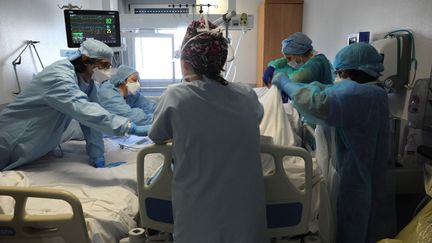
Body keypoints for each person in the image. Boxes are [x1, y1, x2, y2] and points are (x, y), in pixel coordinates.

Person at [148, 19, 268, 243]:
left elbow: (156, 135)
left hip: (198, 213)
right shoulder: (247, 95)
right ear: (220, 61)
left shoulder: (176, 96)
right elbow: (256, 119)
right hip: (244, 215)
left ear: (184, 63)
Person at [272, 42, 393, 243]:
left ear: (350, 72)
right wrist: (305, 86)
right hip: (365, 174)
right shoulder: (374, 92)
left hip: (355, 181)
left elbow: (318, 103)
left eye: (340, 73)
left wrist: (286, 83)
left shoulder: (358, 94)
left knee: (354, 228)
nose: (338, 78)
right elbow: (328, 90)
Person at [0, 39, 150, 171]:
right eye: (103, 65)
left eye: (108, 66)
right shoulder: (59, 76)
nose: (106, 71)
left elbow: (91, 123)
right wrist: (131, 128)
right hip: (9, 138)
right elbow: (85, 111)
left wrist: (97, 157)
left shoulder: (87, 83)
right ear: (85, 59)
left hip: (30, 147)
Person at [262, 32, 333, 102]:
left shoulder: (316, 63)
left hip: (319, 104)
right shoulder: (305, 59)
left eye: (289, 58)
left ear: (299, 54)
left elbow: (296, 78)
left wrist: (279, 77)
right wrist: (273, 66)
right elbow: (285, 60)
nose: (288, 62)